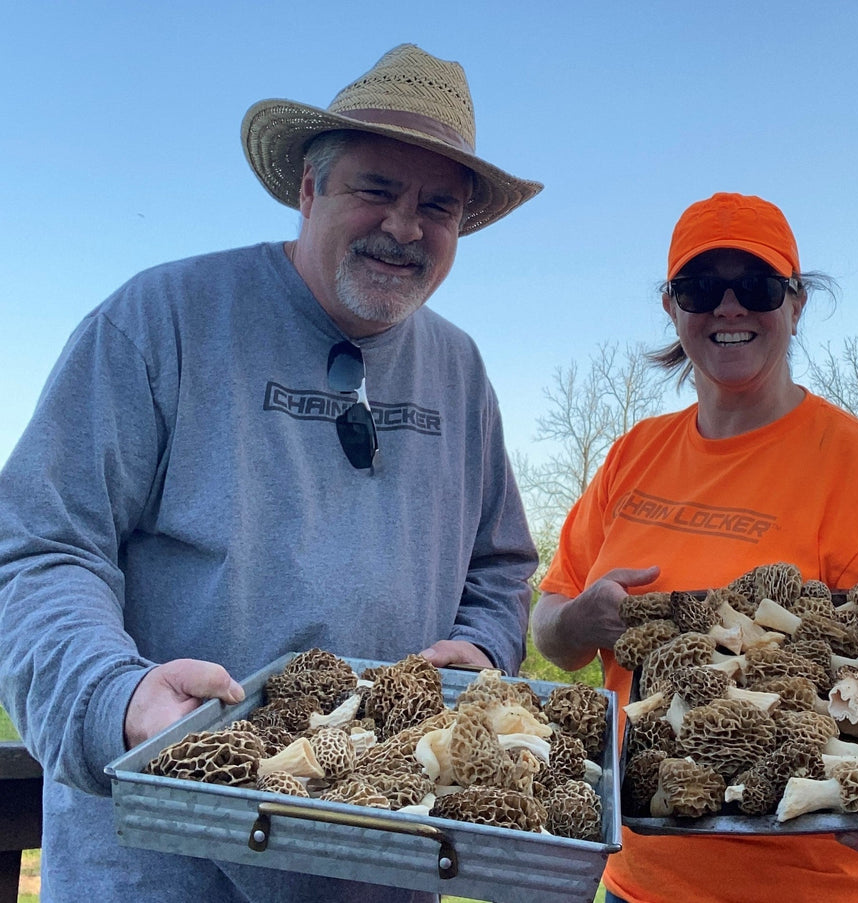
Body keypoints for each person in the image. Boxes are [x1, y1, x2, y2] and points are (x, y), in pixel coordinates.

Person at [0, 44, 541, 903]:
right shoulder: (161, 321)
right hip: (157, 864)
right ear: (307, 189)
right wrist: (118, 696)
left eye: (437, 205)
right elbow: (39, 549)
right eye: (376, 188)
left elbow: (502, 565)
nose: (404, 227)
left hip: (379, 868)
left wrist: (481, 645)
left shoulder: (461, 373)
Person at [533, 192, 858, 903]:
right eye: (700, 288)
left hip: (840, 889)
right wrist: (577, 624)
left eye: (754, 286)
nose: (728, 308)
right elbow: (552, 625)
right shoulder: (632, 458)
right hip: (644, 883)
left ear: (794, 304)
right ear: (672, 307)